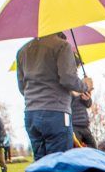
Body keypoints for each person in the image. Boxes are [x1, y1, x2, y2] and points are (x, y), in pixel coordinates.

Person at [16, 32, 94, 160]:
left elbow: (22, 88)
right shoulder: (62, 46)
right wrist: (85, 85)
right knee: (60, 162)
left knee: (40, 163)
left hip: (31, 114)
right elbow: (68, 79)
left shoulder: (22, 51)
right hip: (56, 113)